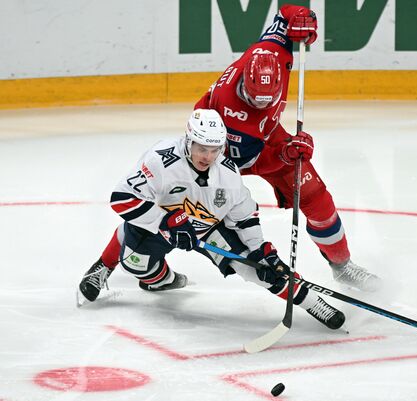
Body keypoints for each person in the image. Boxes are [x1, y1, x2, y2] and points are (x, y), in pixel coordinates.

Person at [77, 109, 345, 330]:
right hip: (161, 225)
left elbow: (244, 215)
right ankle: (151, 276)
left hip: (208, 227)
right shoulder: (160, 161)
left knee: (258, 269)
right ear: (188, 140)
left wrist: (261, 250)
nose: (208, 156)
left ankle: (313, 304)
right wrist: (165, 222)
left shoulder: (226, 172)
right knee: (137, 266)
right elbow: (122, 197)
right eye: (202, 148)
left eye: (215, 149)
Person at [194, 4, 380, 291]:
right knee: (195, 215)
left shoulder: (274, 52)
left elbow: (285, 13)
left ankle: (343, 267)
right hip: (222, 151)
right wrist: (284, 154)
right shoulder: (234, 114)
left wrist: (301, 19)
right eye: (254, 99)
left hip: (267, 137)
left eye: (267, 100)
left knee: (318, 200)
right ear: (244, 82)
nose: (261, 104)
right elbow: (246, 165)